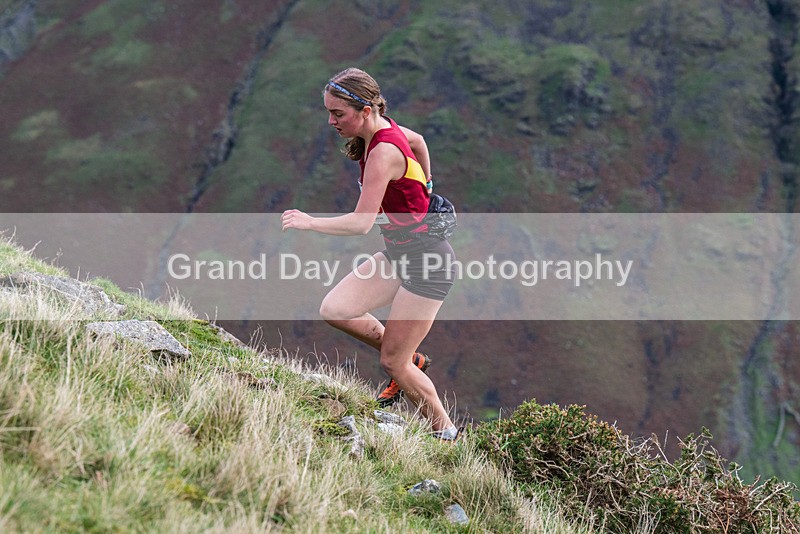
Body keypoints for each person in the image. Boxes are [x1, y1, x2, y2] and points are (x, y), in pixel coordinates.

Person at [281, 67, 459, 441]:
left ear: (365, 110)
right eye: (328, 112)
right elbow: (421, 141)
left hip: (429, 263)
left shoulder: (383, 153)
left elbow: (362, 223)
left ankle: (446, 435)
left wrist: (310, 223)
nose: (331, 121)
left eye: (338, 114)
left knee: (392, 361)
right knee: (336, 310)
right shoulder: (385, 130)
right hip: (400, 253)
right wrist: (425, 187)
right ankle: (412, 359)